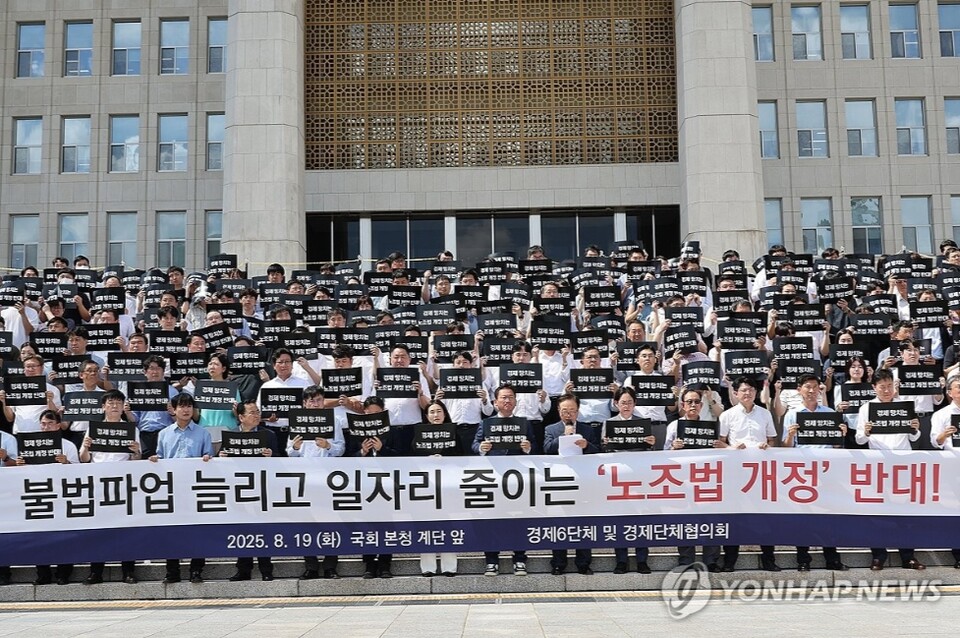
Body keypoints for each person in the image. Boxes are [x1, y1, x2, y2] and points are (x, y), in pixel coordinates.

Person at [855, 368, 925, 571]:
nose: (886, 391)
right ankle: (878, 556)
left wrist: (915, 427)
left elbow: (914, 437)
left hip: (903, 464)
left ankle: (908, 556)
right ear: (874, 388)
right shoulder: (866, 408)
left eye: (889, 386)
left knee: (905, 513)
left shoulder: (903, 406)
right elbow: (860, 439)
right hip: (877, 465)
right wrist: (866, 432)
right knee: (877, 513)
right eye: (882, 387)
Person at [781, 374, 848, 572]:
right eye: (807, 387)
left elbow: (837, 446)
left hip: (827, 470)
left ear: (820, 389)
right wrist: (791, 435)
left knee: (828, 516)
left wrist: (841, 434)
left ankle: (832, 558)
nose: (811, 391)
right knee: (803, 517)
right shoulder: (792, 415)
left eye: (814, 387)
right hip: (802, 473)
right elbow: (785, 448)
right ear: (799, 389)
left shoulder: (829, 413)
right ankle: (803, 559)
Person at [717, 376, 780, 572]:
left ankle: (769, 559)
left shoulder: (764, 414)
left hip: (761, 471)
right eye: (743, 390)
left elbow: (772, 440)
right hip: (736, 472)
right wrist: (732, 447)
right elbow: (719, 443)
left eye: (751, 389)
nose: (748, 393)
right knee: (735, 515)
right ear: (735, 393)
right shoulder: (727, 415)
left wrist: (766, 445)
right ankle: (730, 561)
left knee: (765, 516)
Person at [150, 393, 213, 583]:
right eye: (182, 406)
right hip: (172, 489)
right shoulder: (164, 433)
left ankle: (196, 570)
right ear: (174, 409)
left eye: (189, 406)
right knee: (171, 530)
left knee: (197, 530)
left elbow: (209, 458)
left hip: (195, 489)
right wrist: (154, 460)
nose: (186, 410)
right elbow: (160, 457)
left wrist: (207, 459)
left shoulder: (203, 433)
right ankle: (172, 571)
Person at [79, 390, 141, 585]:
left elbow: (136, 459)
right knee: (99, 529)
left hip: (123, 485)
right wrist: (87, 447)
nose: (114, 406)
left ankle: (128, 572)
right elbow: (84, 459)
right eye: (111, 402)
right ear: (103, 406)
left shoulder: (132, 429)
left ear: (124, 407)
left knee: (126, 529)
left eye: (118, 402)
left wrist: (136, 452)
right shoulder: (93, 428)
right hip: (99, 484)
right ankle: (96, 572)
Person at [473, 383, 534, 576]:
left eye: (511, 397)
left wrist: (528, 448)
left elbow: (537, 449)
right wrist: (481, 448)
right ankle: (491, 560)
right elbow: (475, 444)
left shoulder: (525, 423)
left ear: (516, 401)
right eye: (503, 398)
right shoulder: (486, 423)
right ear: (495, 402)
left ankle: (519, 559)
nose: (507, 401)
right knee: (492, 521)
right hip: (493, 479)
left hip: (518, 480)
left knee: (519, 520)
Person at [290, 385, 346, 579]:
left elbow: (341, 449)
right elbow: (290, 452)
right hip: (304, 479)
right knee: (307, 524)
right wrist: (295, 447)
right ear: (304, 403)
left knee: (330, 522)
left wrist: (328, 445)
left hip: (328, 478)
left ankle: (330, 565)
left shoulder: (335, 421)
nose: (315, 404)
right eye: (311, 400)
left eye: (319, 400)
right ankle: (311, 566)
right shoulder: (297, 422)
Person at [663, 387, 722, 572]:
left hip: (705, 480)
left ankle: (711, 560)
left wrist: (719, 447)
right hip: (681, 480)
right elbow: (663, 455)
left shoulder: (710, 426)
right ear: (682, 405)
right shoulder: (674, 426)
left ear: (701, 405)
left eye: (696, 402)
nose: (693, 405)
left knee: (709, 520)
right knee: (685, 520)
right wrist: (673, 447)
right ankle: (686, 560)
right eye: (689, 402)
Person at [544, 393, 600, 575]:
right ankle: (559, 563)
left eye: (572, 411)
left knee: (583, 522)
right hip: (559, 481)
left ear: (578, 411)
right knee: (559, 522)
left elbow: (598, 451)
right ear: (558, 411)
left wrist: (586, 445)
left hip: (583, 481)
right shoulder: (551, 429)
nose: (568, 414)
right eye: (565, 411)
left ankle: (583, 563)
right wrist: (563, 437)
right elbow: (545, 449)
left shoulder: (588, 429)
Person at [23, 410, 79, 585]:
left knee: (63, 537)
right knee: (39, 537)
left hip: (62, 496)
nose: (45, 427)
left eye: (49, 423)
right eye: (43, 423)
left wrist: (67, 463)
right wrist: (20, 465)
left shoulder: (68, 445)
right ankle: (43, 574)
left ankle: (63, 573)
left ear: (58, 425)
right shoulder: (30, 444)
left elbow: (80, 472)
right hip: (39, 495)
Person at [224, 401, 277, 581]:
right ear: (241, 417)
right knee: (242, 530)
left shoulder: (269, 435)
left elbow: (281, 462)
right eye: (252, 412)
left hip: (262, 488)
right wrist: (221, 457)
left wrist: (272, 456)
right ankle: (243, 569)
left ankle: (266, 569)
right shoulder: (231, 436)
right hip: (239, 489)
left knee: (263, 528)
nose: (256, 415)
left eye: (257, 412)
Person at [418, 399, 460, 577]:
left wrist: (447, 459)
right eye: (432, 412)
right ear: (427, 416)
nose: (436, 415)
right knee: (427, 523)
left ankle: (449, 566)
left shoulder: (454, 432)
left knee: (449, 523)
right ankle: (427, 566)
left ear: (445, 413)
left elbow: (461, 456)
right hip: (425, 486)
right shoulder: (419, 433)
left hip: (448, 485)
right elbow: (411, 456)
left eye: (439, 411)